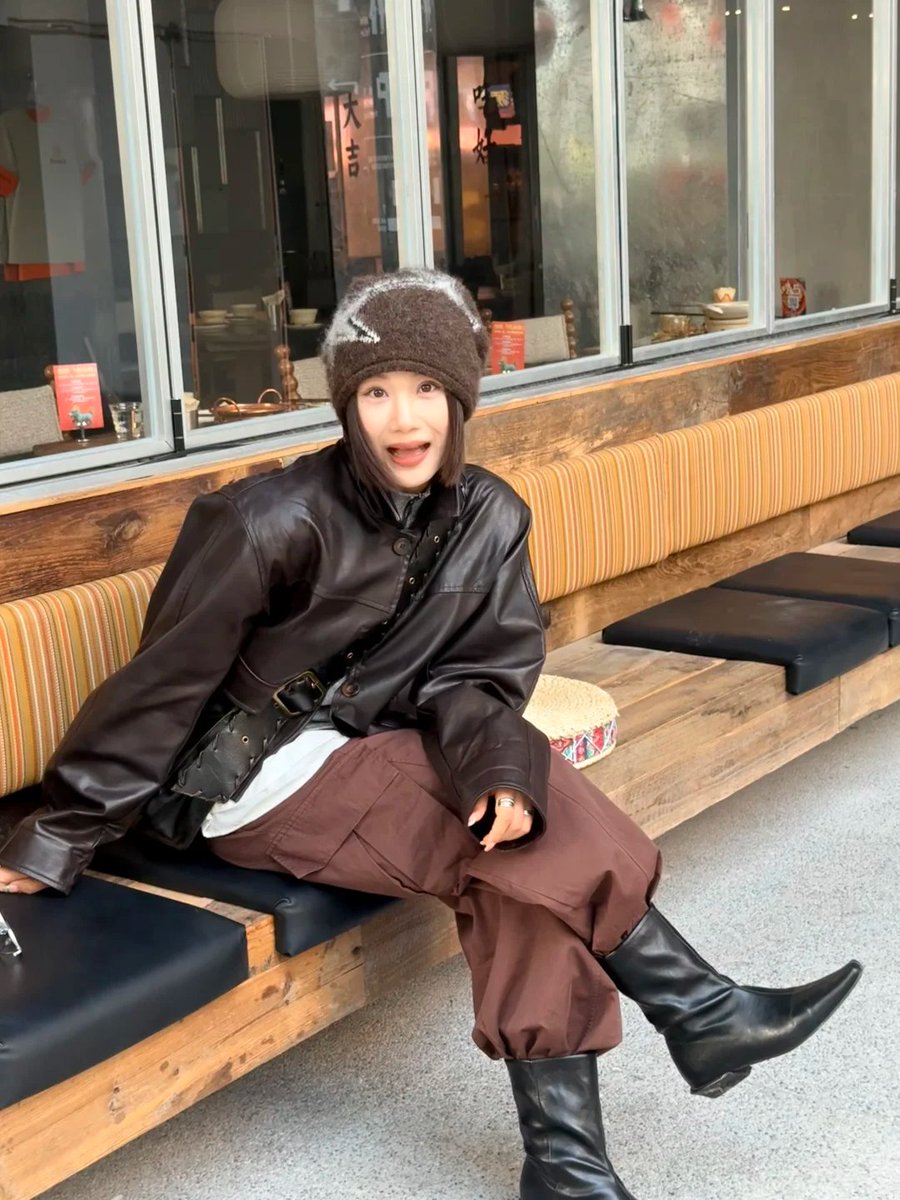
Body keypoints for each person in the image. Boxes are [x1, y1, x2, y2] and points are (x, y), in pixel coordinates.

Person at [0, 270, 861, 1199]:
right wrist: (63, 830)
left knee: (516, 834)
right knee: (523, 840)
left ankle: (578, 1158)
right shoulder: (266, 519)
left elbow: (478, 676)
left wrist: (497, 775)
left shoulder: (489, 515)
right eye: (375, 392)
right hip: (252, 778)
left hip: (384, 746)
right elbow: (162, 686)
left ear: (460, 398)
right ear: (346, 405)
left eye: (425, 389)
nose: (403, 419)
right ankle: (694, 1016)